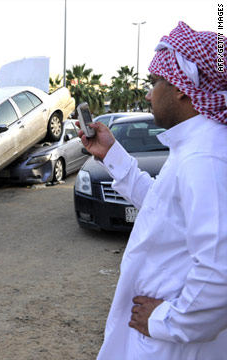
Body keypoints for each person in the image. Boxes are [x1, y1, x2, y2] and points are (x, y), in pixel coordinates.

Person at [79, 22, 227, 359]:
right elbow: (163, 210)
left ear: (182, 89)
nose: (148, 94)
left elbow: (221, 271)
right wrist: (111, 154)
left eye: (154, 82)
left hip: (172, 346)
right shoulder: (196, 147)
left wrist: (166, 320)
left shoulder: (204, 158)